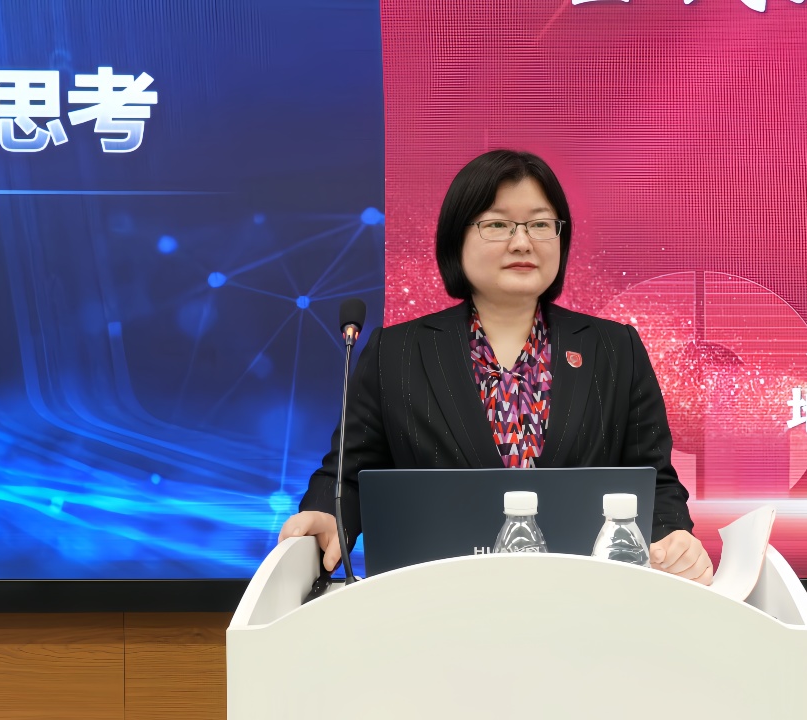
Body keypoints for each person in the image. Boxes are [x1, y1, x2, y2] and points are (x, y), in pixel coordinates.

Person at [279, 149, 713, 584]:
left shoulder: (615, 349)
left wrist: (672, 537)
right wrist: (328, 515)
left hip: (584, 594)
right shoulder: (396, 351)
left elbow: (653, 481)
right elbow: (348, 478)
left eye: (540, 224)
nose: (522, 242)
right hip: (437, 596)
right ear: (456, 239)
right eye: (498, 225)